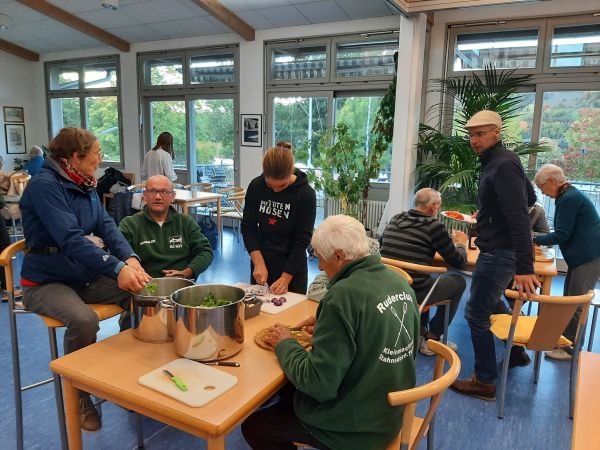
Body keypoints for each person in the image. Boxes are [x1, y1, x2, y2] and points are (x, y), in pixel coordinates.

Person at [241, 215, 419, 450]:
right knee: (289, 390)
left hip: (356, 429)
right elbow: (391, 342)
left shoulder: (342, 296)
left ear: (338, 256)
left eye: (320, 258)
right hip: (390, 412)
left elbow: (319, 385)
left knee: (255, 426)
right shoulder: (398, 282)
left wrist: (285, 343)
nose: (321, 266)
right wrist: (332, 327)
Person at [19, 127, 151, 431]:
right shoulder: (45, 186)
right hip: (45, 281)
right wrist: (118, 270)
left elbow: (106, 226)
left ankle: (127, 375)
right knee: (84, 320)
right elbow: (71, 239)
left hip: (82, 274)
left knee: (143, 293)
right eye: (97, 153)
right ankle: (78, 393)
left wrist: (130, 259)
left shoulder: (83, 182)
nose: (100, 159)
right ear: (75, 156)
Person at [450, 110, 540, 402]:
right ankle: (516, 353)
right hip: (501, 250)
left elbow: (519, 216)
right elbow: (531, 198)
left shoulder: (501, 165)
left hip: (500, 254)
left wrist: (525, 267)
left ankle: (485, 382)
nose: (474, 140)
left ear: (496, 134)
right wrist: (488, 215)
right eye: (471, 135)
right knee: (495, 302)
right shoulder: (503, 160)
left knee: (475, 314)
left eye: (480, 134)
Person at [380, 187, 467, 355]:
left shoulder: (396, 218)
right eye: (439, 206)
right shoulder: (434, 226)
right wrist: (460, 243)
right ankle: (433, 338)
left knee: (424, 276)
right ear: (433, 206)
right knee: (459, 281)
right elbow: (460, 262)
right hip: (415, 291)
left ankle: (420, 332)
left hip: (389, 285)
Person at [533, 163, 600, 360]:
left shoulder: (567, 199)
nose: (543, 193)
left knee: (576, 302)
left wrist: (533, 239)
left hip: (589, 256)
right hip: (583, 255)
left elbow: (561, 235)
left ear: (552, 182)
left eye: (542, 187)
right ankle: (563, 339)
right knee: (569, 298)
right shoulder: (568, 194)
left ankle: (571, 348)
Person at [241, 143, 316, 295]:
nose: (275, 190)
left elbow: (302, 239)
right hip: (262, 262)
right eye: (270, 185)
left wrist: (286, 278)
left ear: (291, 173)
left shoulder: (305, 194)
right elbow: (248, 227)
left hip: (293, 267)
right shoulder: (256, 186)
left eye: (281, 186)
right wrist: (258, 262)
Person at [119, 175, 214, 279]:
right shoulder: (129, 224)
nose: (158, 197)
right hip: (143, 286)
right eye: (152, 191)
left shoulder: (185, 222)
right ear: (145, 195)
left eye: (164, 192)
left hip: (181, 286)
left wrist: (187, 272)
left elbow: (205, 251)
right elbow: (119, 255)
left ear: (173, 196)